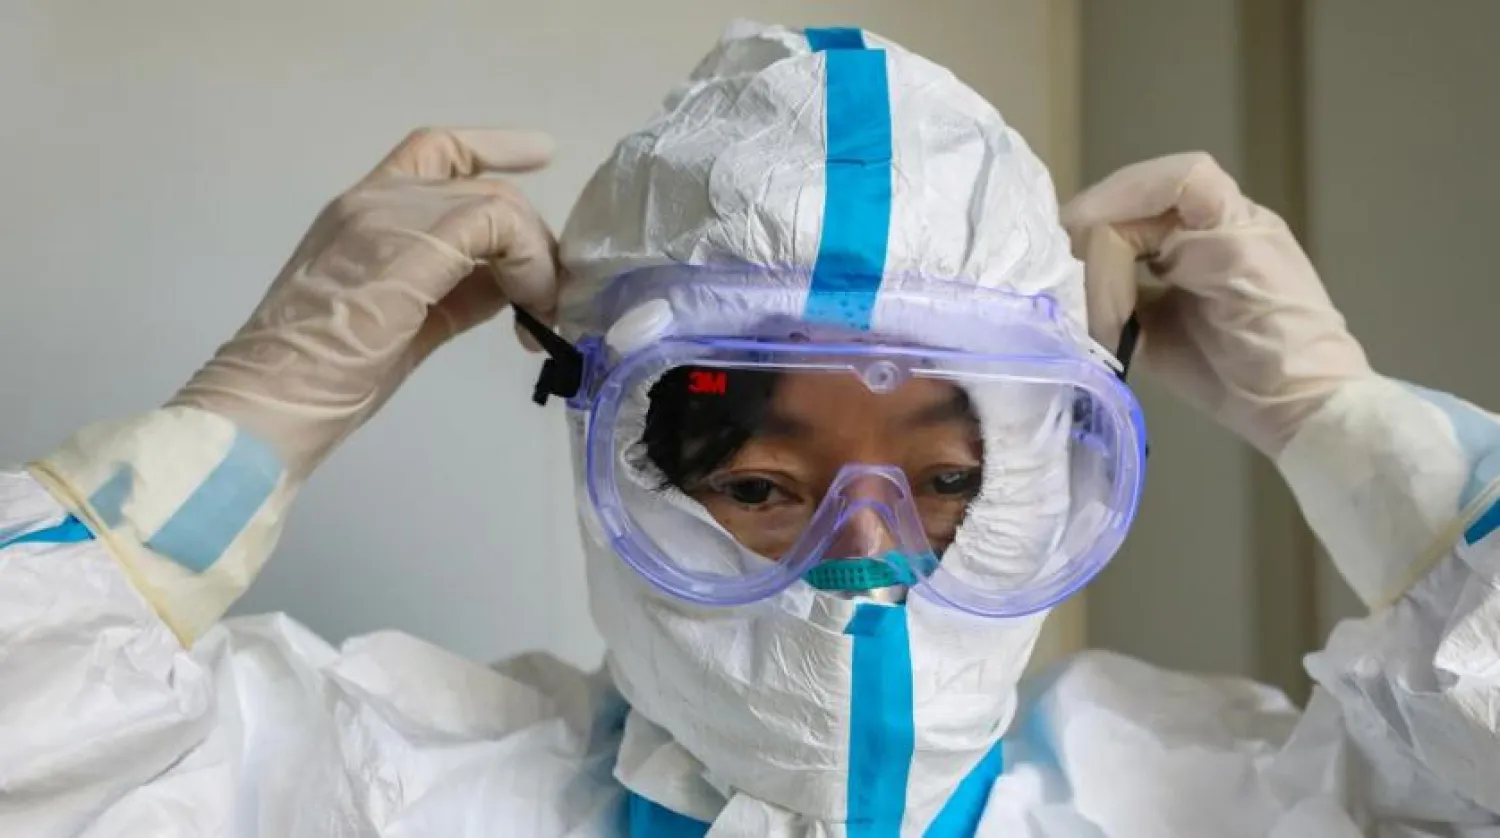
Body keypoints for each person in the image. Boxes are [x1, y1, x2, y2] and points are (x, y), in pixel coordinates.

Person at [2, 20, 1499, 838]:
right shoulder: (376, 778)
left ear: (1042, 480)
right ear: (626, 471)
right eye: (771, 482)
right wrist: (240, 422)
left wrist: (1357, 436)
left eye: (944, 480)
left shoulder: (1222, 798)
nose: (867, 559)